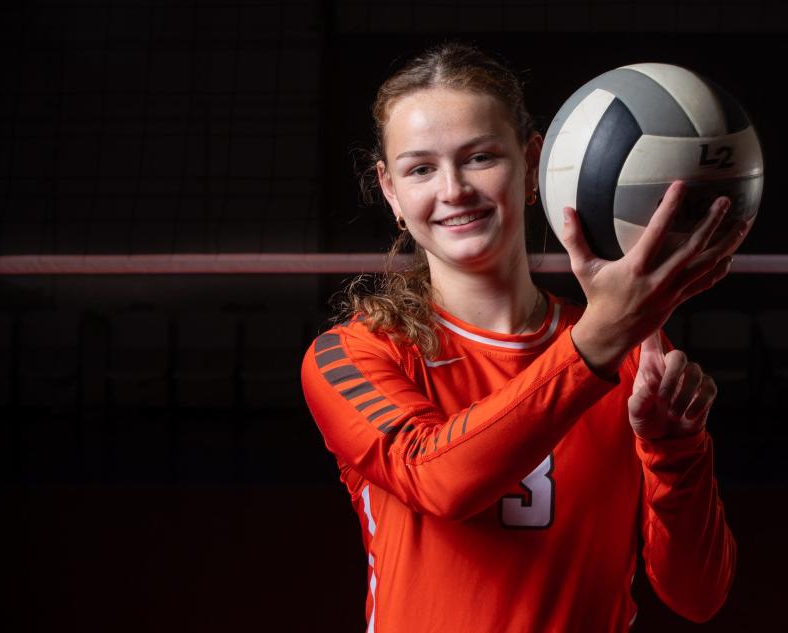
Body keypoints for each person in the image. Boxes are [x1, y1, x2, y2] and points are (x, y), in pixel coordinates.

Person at [301, 39, 748, 632]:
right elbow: (439, 481)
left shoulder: (631, 356)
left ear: (534, 162)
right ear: (391, 193)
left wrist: (677, 450)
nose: (454, 189)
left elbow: (698, 595)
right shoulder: (356, 353)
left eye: (481, 157)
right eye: (421, 169)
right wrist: (599, 339)